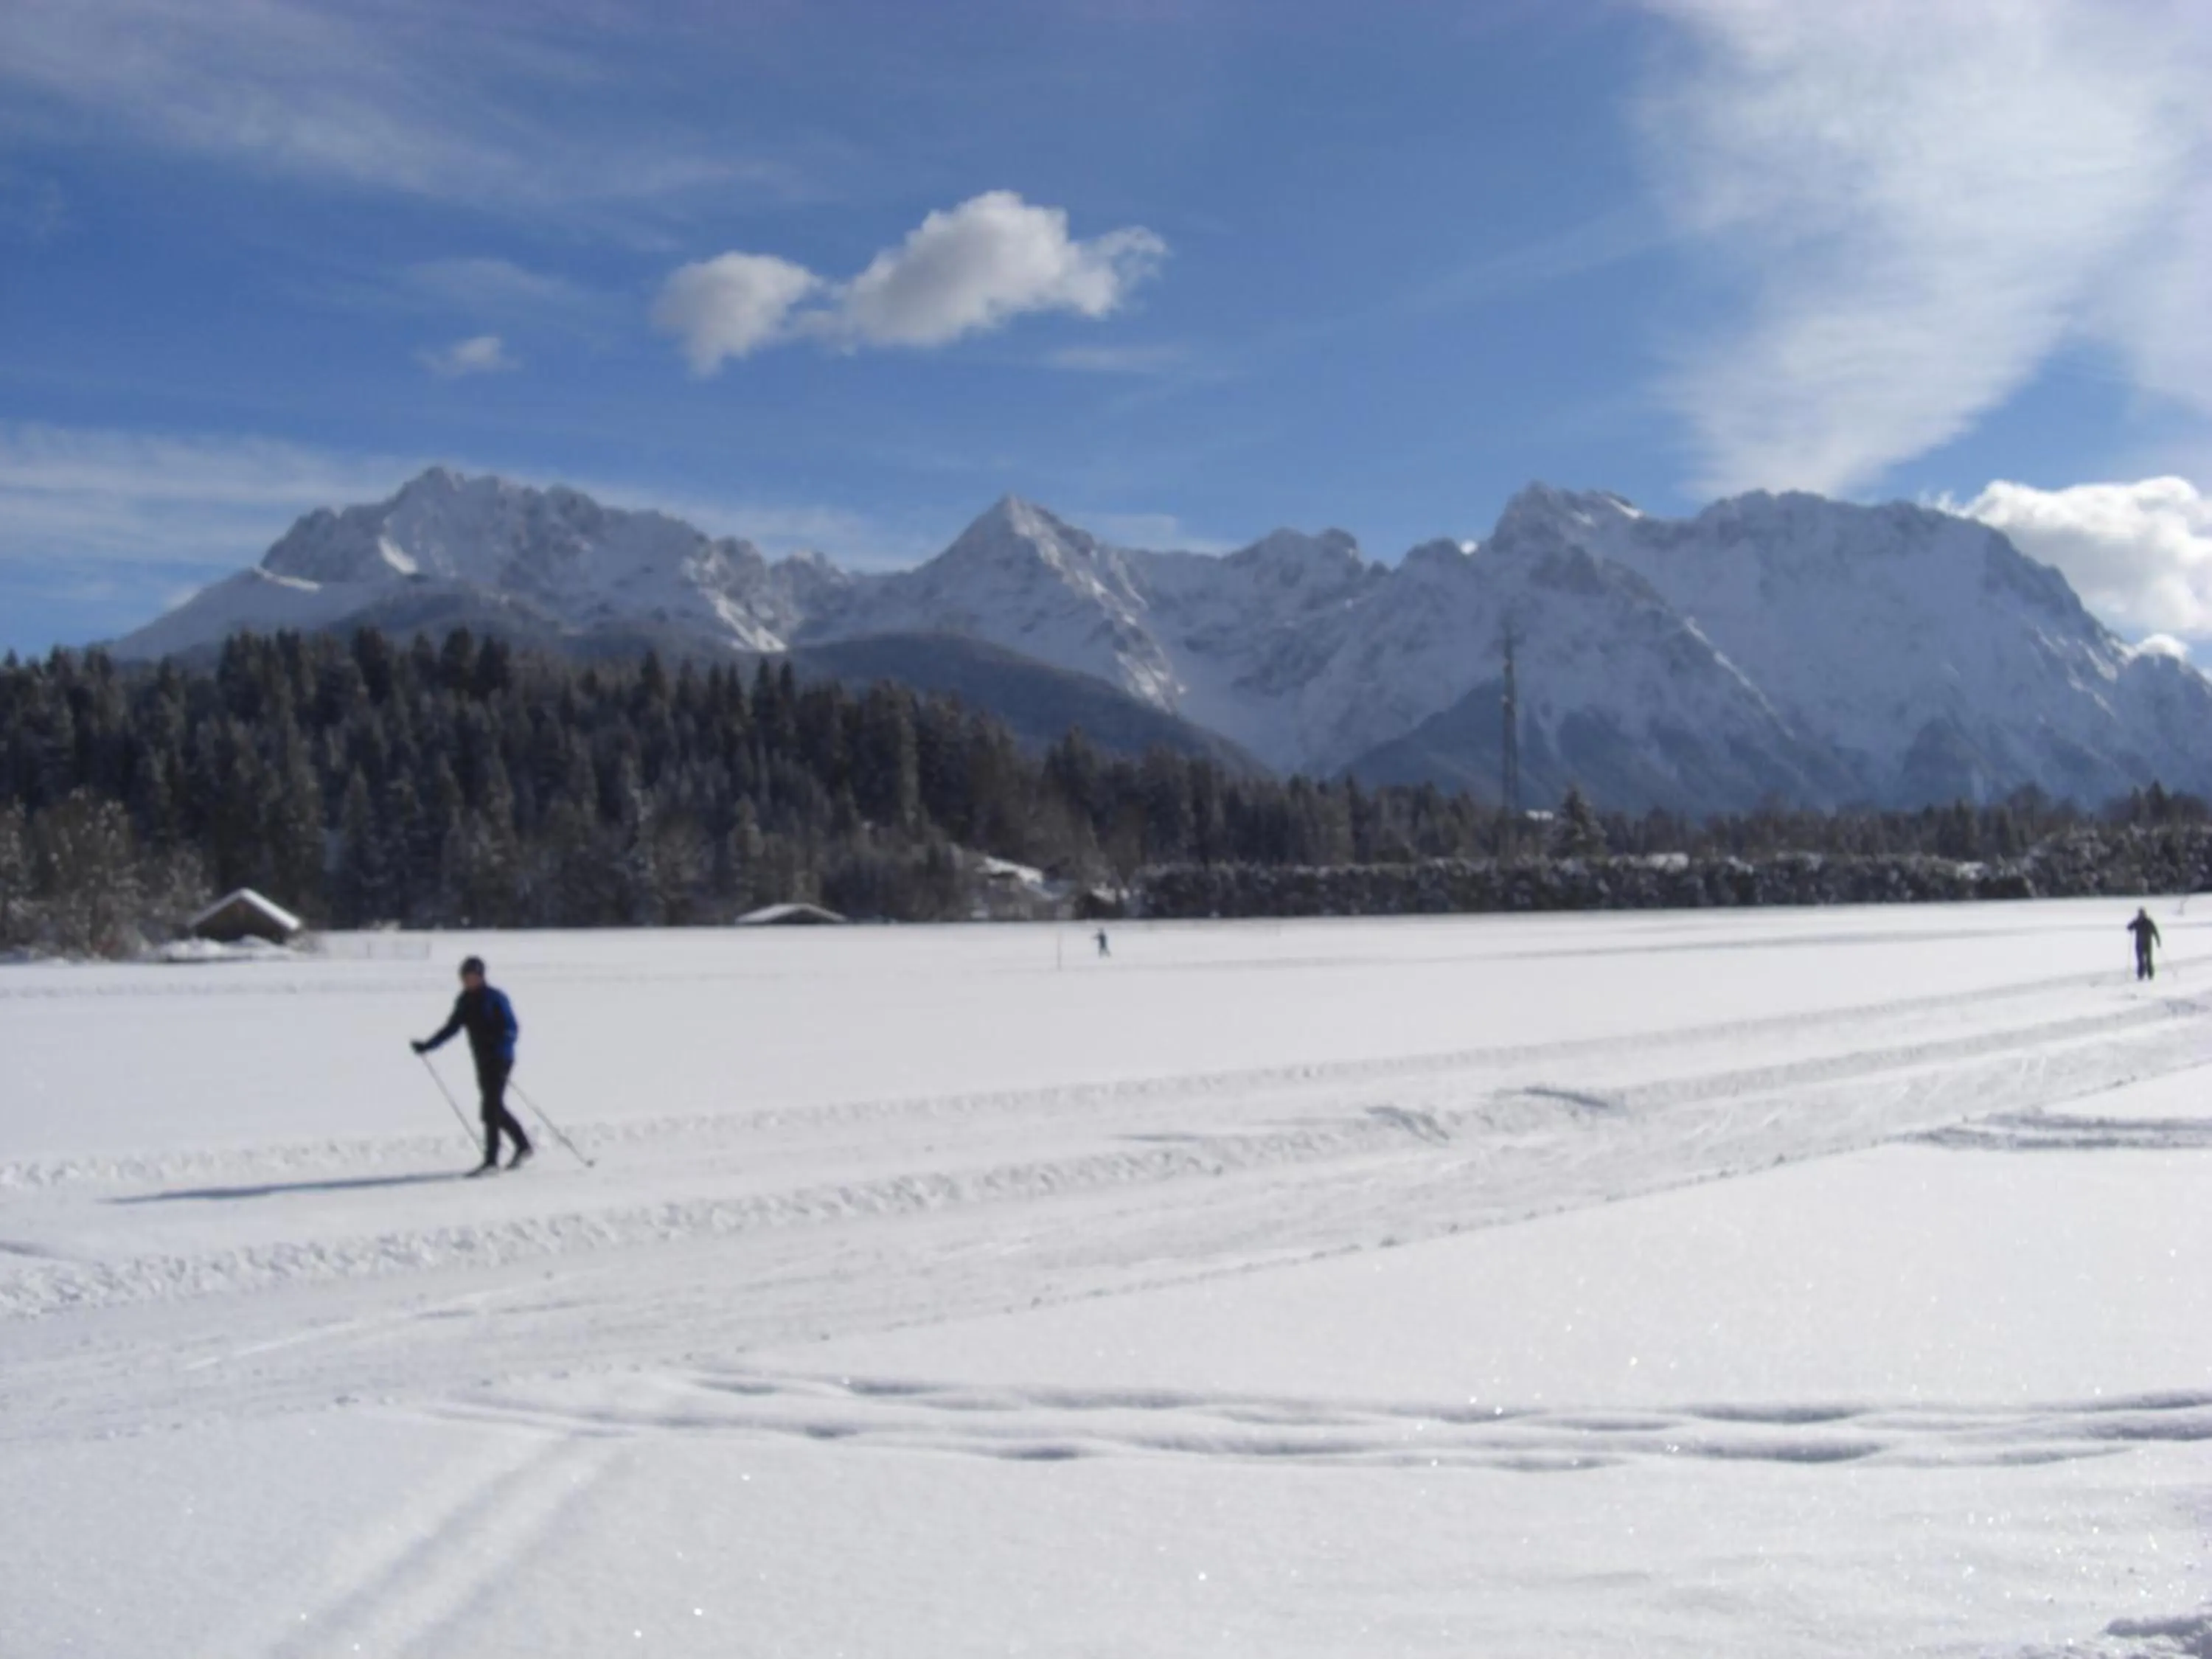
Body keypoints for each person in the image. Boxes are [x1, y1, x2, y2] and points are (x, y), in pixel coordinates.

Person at [414, 955, 532, 1174]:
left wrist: (498, 1041)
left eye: (471, 977)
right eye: (464, 978)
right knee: (493, 1109)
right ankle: (523, 1146)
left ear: (480, 976)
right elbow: (451, 1028)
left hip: (500, 1058)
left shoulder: (495, 997)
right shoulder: (465, 1001)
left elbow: (512, 1028)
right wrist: (428, 1045)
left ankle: (492, 1161)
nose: (467, 981)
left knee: (490, 1108)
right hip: (482, 1060)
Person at [2127, 908, 2163, 981]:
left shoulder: (2149, 922)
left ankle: (2150, 975)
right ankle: (2141, 975)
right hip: (2139, 944)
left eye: (2142, 914)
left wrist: (2158, 941)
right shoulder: (2137, 922)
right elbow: (2129, 927)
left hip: (2147, 944)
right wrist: (2133, 922)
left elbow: (2155, 931)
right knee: (2140, 960)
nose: (2141, 915)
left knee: (2148, 960)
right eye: (2140, 914)